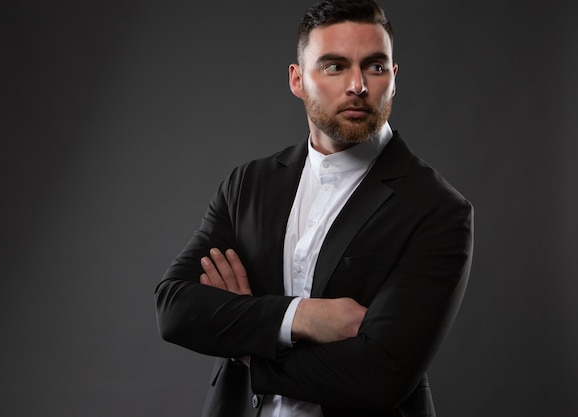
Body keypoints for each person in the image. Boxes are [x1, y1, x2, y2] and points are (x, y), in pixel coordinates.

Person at [155, 0, 473, 416]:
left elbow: (379, 376)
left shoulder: (436, 209)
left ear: (393, 79)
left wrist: (246, 345)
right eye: (334, 66)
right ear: (297, 79)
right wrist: (302, 316)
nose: (357, 85)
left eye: (375, 67)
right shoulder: (248, 184)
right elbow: (175, 309)